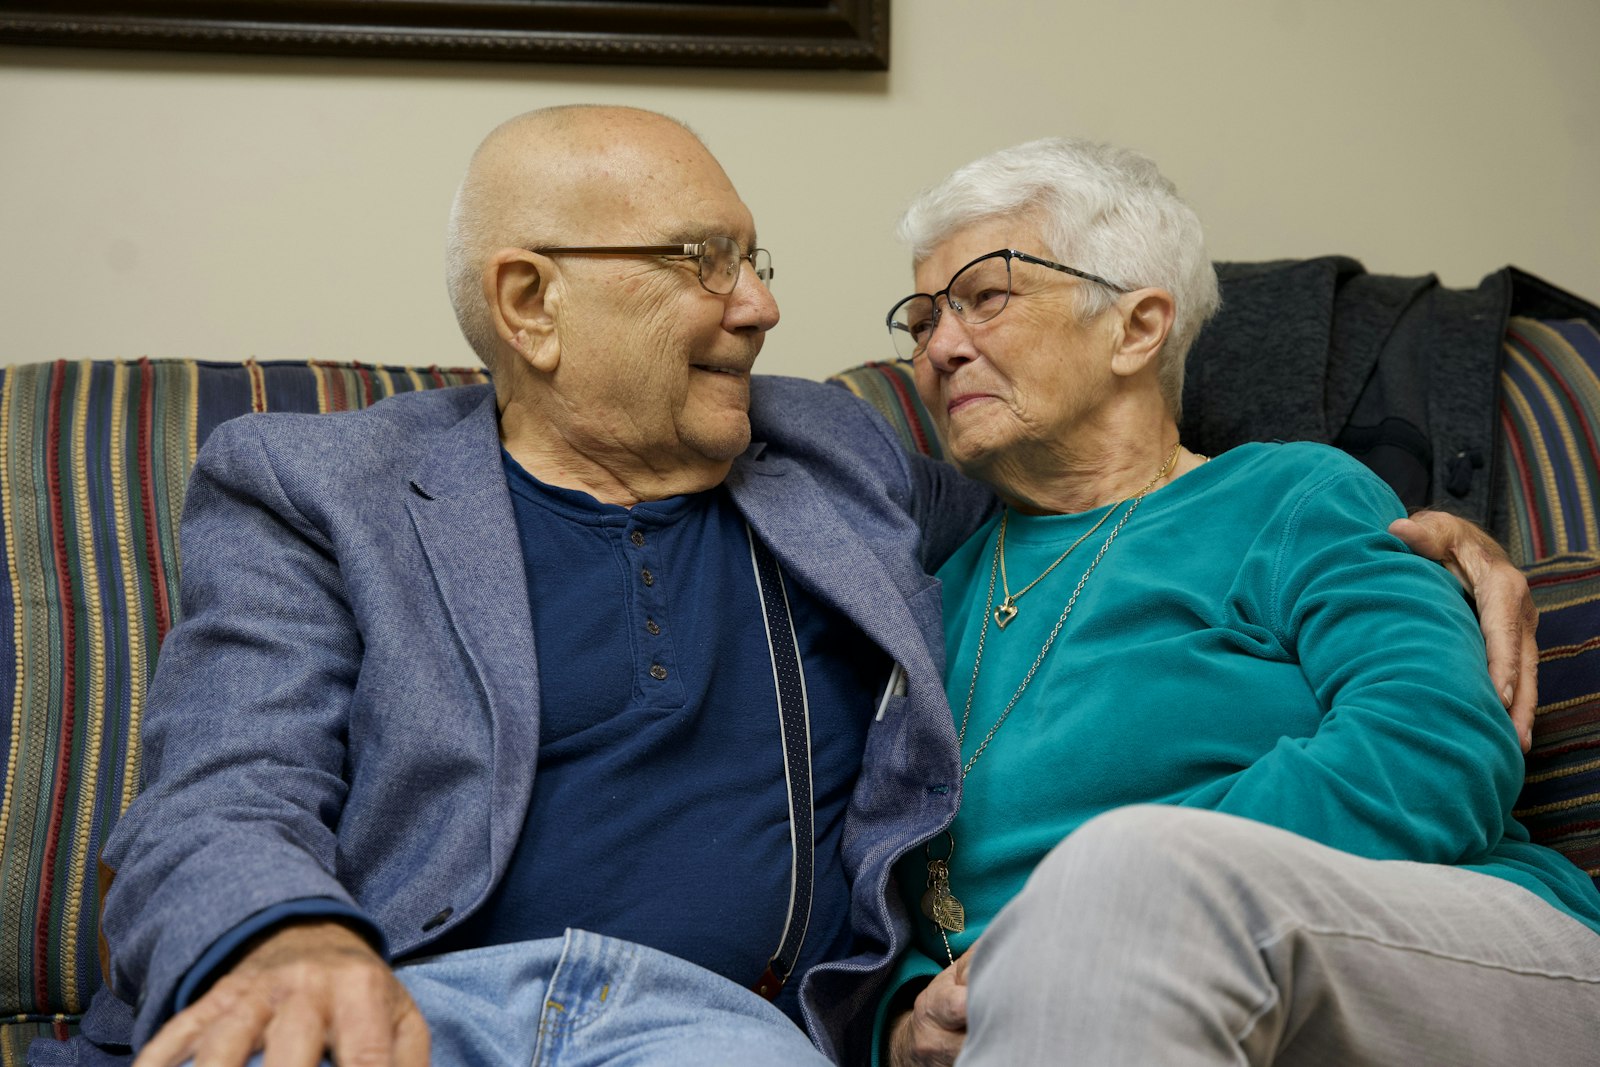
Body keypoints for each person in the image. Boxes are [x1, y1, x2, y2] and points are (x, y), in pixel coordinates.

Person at [75, 106, 1530, 1067]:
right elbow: (220, 780)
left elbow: (1141, 463)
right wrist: (292, 933)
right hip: (410, 996)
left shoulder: (843, 463)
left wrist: (1426, 518)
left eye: (754, 258)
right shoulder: (315, 482)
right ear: (531, 303)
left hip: (722, 1034)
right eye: (702, 261)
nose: (764, 304)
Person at [878, 137, 1600, 1066]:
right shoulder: (923, 583)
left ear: (1137, 329)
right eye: (922, 318)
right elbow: (881, 874)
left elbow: (1437, 745)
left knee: (1124, 872)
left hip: (1432, 943)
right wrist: (902, 1022)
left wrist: (1095, 900)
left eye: (986, 297)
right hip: (1057, 1015)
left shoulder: (1294, 497)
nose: (938, 346)